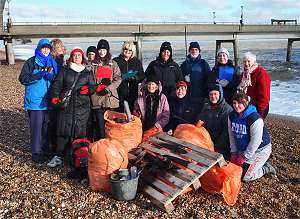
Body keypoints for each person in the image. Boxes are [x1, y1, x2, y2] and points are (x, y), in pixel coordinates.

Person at [47, 47, 93, 167]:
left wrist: (88, 90)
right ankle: (58, 156)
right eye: (75, 55)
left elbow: (93, 89)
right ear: (71, 57)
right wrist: (54, 97)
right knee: (63, 131)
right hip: (66, 106)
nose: (77, 57)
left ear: (83, 58)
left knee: (79, 132)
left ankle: (77, 156)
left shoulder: (87, 73)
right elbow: (56, 86)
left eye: (79, 55)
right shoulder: (64, 70)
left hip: (82, 107)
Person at [19, 38, 58, 163]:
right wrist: (38, 75)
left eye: (48, 48)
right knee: (36, 129)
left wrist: (52, 77)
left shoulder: (52, 62)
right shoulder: (31, 62)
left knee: (46, 127)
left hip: (48, 101)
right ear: (39, 48)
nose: (46, 49)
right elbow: (23, 78)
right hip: (35, 102)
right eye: (43, 47)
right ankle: (36, 153)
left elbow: (58, 79)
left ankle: (45, 151)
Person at [228, 92, 276, 182]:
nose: (236, 106)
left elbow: (255, 141)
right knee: (233, 171)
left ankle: (266, 168)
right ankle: (255, 163)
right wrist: (233, 152)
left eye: (240, 103)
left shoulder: (255, 118)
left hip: (260, 149)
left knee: (245, 177)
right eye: (234, 103)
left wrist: (244, 156)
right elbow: (231, 135)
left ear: (246, 104)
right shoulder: (231, 116)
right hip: (243, 148)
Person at [90, 39, 121, 140]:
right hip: (97, 99)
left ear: (107, 50)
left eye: (104, 49)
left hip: (110, 100)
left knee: (111, 127)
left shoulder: (113, 64)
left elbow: (118, 79)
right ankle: (101, 148)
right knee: (100, 127)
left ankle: (111, 147)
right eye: (100, 49)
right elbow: (89, 79)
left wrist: (108, 88)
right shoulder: (92, 64)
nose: (101, 52)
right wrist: (97, 87)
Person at [196, 84, 233, 160]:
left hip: (220, 146)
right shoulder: (206, 106)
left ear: (220, 94)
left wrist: (217, 146)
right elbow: (200, 121)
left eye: (215, 94)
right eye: (211, 94)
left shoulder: (226, 109)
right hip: (207, 141)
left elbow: (226, 132)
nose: (213, 97)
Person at [237, 52, 271, 118]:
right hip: (247, 106)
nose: (246, 64)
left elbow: (265, 95)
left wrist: (260, 111)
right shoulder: (244, 74)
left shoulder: (261, 73)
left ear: (254, 61)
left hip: (259, 107)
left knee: (257, 127)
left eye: (248, 61)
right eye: (244, 61)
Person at [113, 41, 145, 112]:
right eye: (126, 49)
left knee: (131, 113)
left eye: (130, 50)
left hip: (132, 92)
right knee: (119, 113)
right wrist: (124, 76)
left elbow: (142, 76)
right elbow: (112, 76)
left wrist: (135, 78)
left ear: (133, 51)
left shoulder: (136, 61)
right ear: (122, 49)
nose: (127, 51)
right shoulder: (116, 61)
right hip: (119, 92)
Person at [181, 41, 211, 111]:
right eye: (192, 50)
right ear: (189, 51)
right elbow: (179, 79)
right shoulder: (184, 64)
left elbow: (209, 78)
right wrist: (185, 79)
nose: (194, 51)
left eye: (196, 49)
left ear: (199, 51)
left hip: (201, 96)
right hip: (188, 96)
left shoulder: (204, 63)